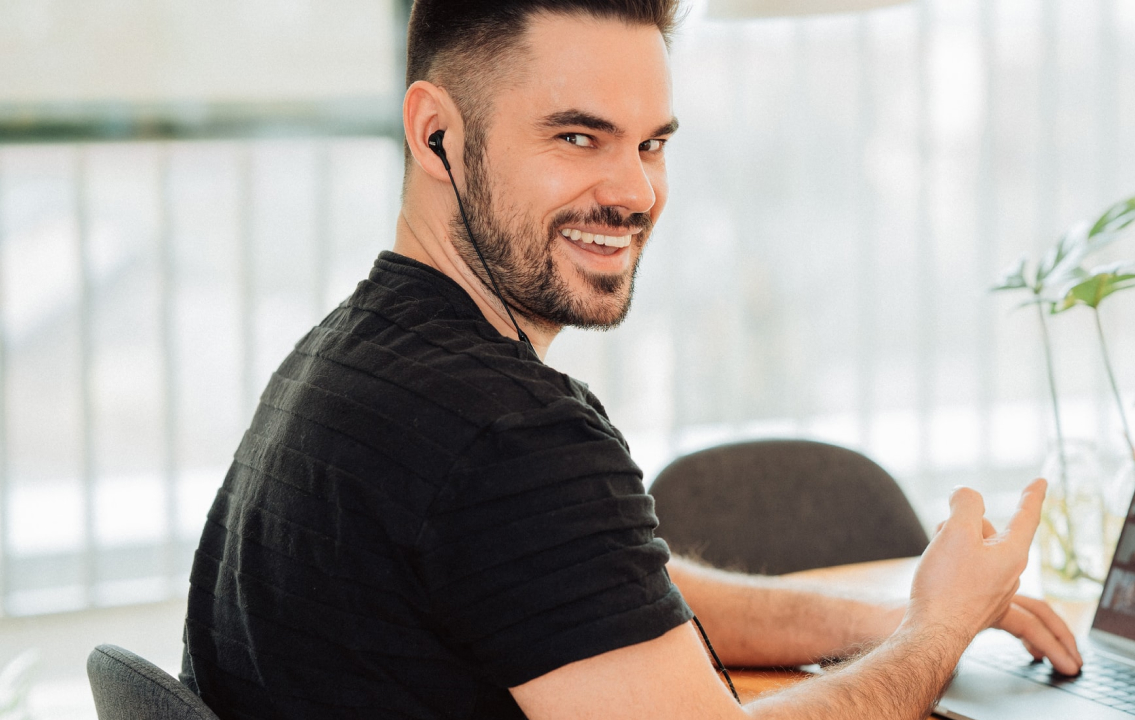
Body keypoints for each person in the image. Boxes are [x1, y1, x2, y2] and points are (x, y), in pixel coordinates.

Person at [179, 2, 1082, 719]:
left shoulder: (350, 359)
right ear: (435, 135)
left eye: (650, 143)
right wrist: (938, 632)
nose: (635, 192)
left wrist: (885, 619)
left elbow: (592, 594)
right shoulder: (506, 432)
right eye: (578, 137)